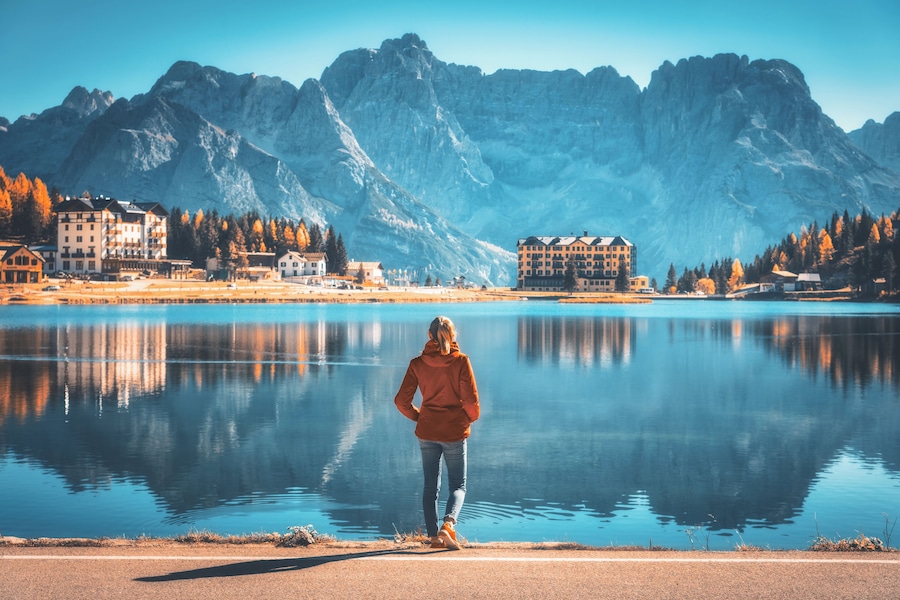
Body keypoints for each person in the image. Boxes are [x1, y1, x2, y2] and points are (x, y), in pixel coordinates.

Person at [394, 316, 480, 550]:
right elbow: (471, 401)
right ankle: (448, 525)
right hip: (454, 431)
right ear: (453, 336)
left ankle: (435, 538)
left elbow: (401, 401)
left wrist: (420, 417)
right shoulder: (461, 361)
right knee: (458, 486)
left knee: (430, 486)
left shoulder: (417, 364)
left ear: (429, 335)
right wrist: (469, 419)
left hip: (428, 431)